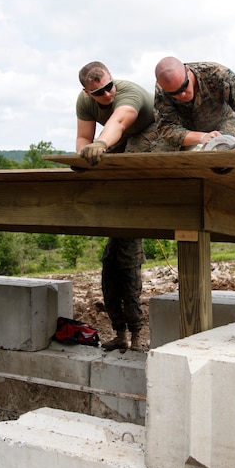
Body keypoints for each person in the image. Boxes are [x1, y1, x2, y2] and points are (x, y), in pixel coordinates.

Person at [75, 61, 156, 352]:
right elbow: (84, 138)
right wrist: (84, 161)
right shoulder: (85, 102)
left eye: (110, 87)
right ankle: (121, 334)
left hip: (148, 137)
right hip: (116, 143)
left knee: (129, 274)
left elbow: (119, 121)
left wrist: (100, 144)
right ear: (87, 91)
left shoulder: (127, 94)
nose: (108, 95)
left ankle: (135, 338)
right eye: (99, 92)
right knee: (110, 270)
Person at [153, 57, 235, 151]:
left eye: (184, 86)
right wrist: (202, 137)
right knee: (159, 159)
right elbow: (167, 129)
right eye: (174, 93)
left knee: (225, 155)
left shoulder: (219, 75)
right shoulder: (162, 90)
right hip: (185, 128)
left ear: (187, 70)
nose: (182, 95)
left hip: (222, 121)